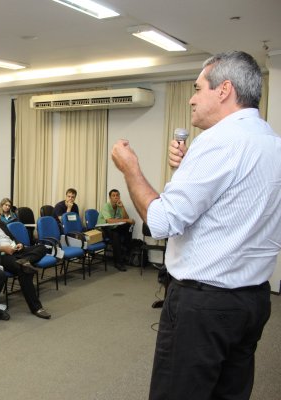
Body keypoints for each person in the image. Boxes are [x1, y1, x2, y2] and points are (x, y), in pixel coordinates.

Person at [111, 51, 280, 400]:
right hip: (252, 300)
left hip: (204, 305)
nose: (191, 98)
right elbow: (236, 204)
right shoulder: (272, 143)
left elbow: (161, 222)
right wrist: (189, 170)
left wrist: (130, 170)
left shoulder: (218, 141)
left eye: (198, 88)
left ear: (224, 90)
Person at [0, 204, 51, 319]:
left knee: (42, 247)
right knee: (24, 270)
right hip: (1, 255)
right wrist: (1, 248)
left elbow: (12, 238)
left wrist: (19, 244)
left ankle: (25, 260)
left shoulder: (2, 224)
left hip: (15, 251)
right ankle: (36, 307)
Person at [97, 189, 134, 271]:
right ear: (110, 198)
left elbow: (126, 217)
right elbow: (109, 221)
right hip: (103, 229)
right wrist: (126, 220)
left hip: (113, 228)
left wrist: (122, 207)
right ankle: (118, 263)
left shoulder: (118, 206)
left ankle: (126, 251)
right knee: (116, 235)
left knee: (128, 225)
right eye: (113, 195)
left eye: (117, 195)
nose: (116, 197)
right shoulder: (106, 206)